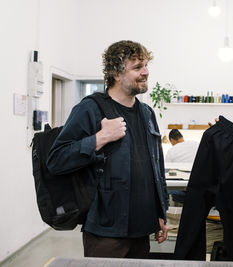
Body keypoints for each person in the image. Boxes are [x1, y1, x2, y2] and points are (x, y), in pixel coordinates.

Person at [47, 40, 169, 258]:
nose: (146, 72)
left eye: (146, 66)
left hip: (143, 228)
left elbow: (156, 168)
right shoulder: (90, 109)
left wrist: (161, 214)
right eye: (137, 67)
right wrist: (100, 138)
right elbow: (56, 160)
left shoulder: (147, 114)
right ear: (116, 74)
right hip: (107, 230)